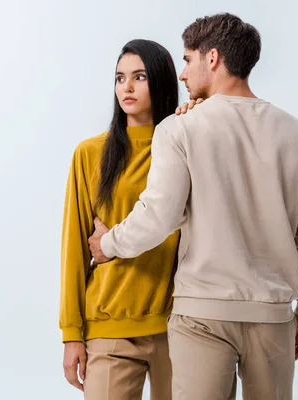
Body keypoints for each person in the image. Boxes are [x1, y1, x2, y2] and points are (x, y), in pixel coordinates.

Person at [88, 13, 298, 400]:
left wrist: (108, 244)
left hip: (202, 317)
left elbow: (159, 215)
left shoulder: (179, 129)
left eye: (187, 60)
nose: (182, 75)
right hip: (273, 316)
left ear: (213, 58)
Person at [59, 38, 200, 399]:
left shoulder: (185, 145)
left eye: (140, 77)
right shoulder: (90, 153)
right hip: (110, 325)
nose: (127, 87)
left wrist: (197, 118)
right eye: (120, 78)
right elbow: (74, 248)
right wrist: (72, 333)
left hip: (179, 325)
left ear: (162, 82)